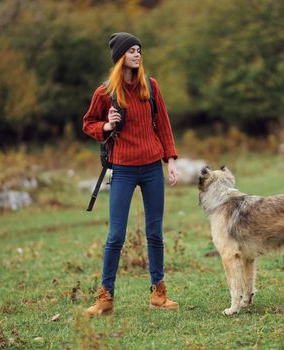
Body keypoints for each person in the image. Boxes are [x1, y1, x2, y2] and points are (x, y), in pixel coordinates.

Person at [82, 32, 179, 317]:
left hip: (151, 167)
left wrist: (170, 159)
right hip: (122, 169)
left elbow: (163, 123)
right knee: (115, 236)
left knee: (155, 233)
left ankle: (158, 293)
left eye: (140, 50)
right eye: (132, 50)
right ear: (120, 57)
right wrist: (107, 127)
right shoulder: (105, 92)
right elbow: (89, 123)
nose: (138, 54)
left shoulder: (150, 86)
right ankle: (105, 297)